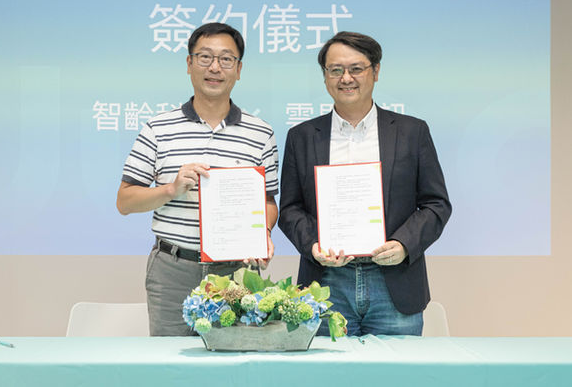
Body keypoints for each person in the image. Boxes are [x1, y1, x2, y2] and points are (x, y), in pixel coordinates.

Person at [278, 31, 451, 337]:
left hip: (394, 283)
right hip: (326, 285)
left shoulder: (412, 132)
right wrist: (314, 246)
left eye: (356, 68)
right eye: (336, 70)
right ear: (325, 76)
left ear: (376, 71)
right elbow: (290, 209)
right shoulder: (302, 136)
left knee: (395, 367)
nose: (346, 78)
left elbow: (436, 204)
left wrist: (404, 244)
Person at [117, 22, 279, 336]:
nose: (215, 67)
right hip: (173, 269)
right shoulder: (158, 128)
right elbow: (124, 202)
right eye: (205, 57)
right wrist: (170, 189)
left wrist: (264, 233)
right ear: (189, 64)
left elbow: (268, 202)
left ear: (239, 69)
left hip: (235, 273)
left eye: (226, 59)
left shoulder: (260, 133)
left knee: (233, 358)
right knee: (170, 359)